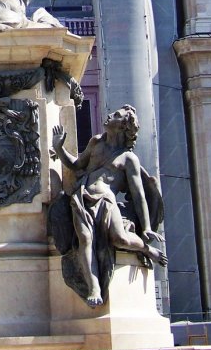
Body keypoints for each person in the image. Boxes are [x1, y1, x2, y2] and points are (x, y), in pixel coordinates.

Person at [49, 105, 167, 307]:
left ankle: (147, 249)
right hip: (82, 196)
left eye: (116, 115)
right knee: (85, 239)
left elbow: (138, 196)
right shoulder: (96, 142)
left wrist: (146, 227)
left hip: (106, 200)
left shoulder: (129, 159)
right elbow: (77, 165)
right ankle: (93, 286)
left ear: (123, 126)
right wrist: (59, 148)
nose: (109, 115)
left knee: (119, 238)